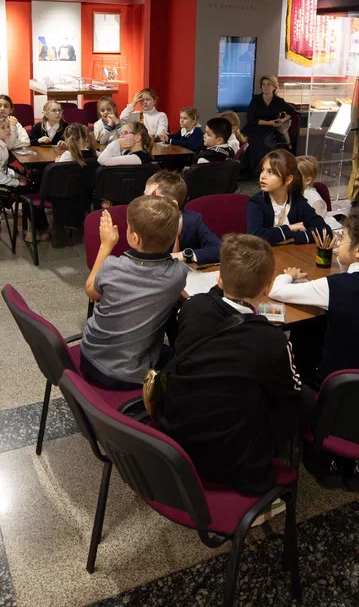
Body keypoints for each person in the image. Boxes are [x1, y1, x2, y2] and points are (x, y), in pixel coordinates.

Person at [154, 234, 302, 495]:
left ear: (219, 278)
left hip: (176, 436)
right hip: (233, 459)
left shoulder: (193, 307)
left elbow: (213, 302)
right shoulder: (272, 340)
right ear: (267, 287)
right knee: (300, 400)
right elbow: (291, 395)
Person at [269, 209, 359, 490]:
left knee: (304, 339)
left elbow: (277, 293)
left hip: (334, 383)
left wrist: (288, 276)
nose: (338, 242)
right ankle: (351, 459)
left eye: (344, 238)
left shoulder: (336, 286)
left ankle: (319, 449)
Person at [80, 197, 188, 389]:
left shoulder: (113, 266)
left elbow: (92, 292)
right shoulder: (177, 274)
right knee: (185, 359)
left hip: (91, 357)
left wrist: (105, 246)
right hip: (127, 372)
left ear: (134, 238)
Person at [0, 113, 47, 240]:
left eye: (8, 127)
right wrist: (17, 182)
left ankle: (36, 226)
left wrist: (17, 176)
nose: (8, 130)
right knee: (28, 190)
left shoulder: (1, 145)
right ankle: (35, 230)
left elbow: (4, 168)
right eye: (3, 128)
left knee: (31, 183)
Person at [247, 149, 327, 245]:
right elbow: (255, 236)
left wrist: (293, 238)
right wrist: (290, 228)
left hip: (291, 253)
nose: (262, 176)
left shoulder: (297, 201)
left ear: (288, 179)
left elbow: (324, 231)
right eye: (263, 170)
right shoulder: (257, 202)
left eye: (270, 172)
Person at [145, 170, 222, 264]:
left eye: (152, 199)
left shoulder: (193, 220)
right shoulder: (145, 223)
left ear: (172, 205)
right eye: (145, 197)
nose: (144, 203)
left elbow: (219, 249)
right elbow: (146, 260)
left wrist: (184, 255)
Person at [244, 75, 296, 172]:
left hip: (270, 129)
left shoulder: (278, 101)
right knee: (250, 140)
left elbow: (292, 111)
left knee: (263, 143)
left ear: (274, 87)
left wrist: (282, 120)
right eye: (263, 84)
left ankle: (262, 169)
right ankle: (249, 170)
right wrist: (268, 123)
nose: (265, 87)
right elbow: (250, 119)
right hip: (255, 126)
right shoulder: (256, 99)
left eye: (268, 84)